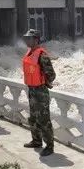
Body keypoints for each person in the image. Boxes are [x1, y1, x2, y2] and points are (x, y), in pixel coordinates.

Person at [22, 29, 57, 157]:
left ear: (36, 40)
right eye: (26, 38)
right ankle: (36, 141)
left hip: (40, 91)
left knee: (44, 119)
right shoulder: (30, 53)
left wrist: (44, 83)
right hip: (31, 89)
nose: (26, 40)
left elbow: (51, 74)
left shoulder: (42, 55)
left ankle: (49, 146)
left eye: (29, 38)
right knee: (33, 117)